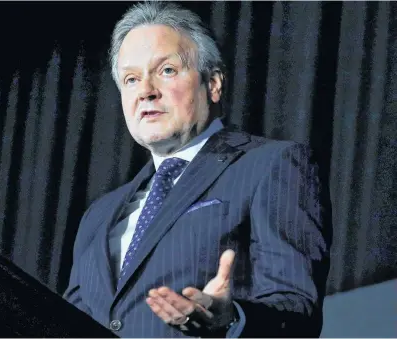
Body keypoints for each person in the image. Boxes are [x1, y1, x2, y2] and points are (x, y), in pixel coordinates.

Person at [63, 1, 332, 338]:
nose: (145, 91)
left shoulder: (271, 165)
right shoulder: (98, 216)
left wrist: (232, 319)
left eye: (167, 71)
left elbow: (297, 310)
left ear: (214, 83)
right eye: (131, 79)